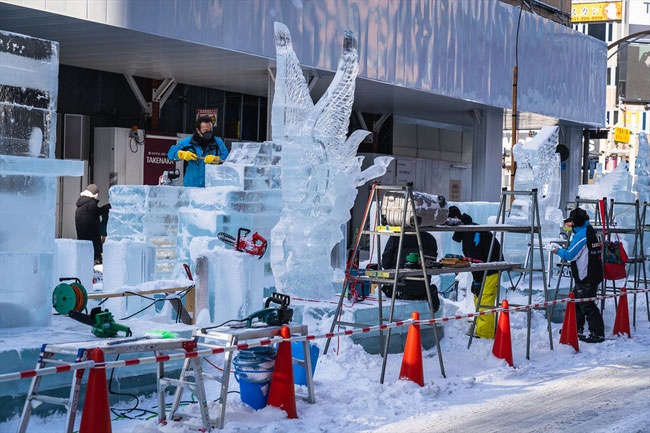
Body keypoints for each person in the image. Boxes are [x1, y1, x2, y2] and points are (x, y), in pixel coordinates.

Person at [553, 207, 605, 343]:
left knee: (587, 305)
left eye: (571, 223)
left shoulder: (581, 234)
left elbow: (571, 255)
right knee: (577, 301)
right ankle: (576, 328)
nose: (570, 226)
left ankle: (598, 333)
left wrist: (557, 251)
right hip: (593, 273)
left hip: (586, 275)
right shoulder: (590, 231)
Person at [449, 206, 502, 339]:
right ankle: (481, 329)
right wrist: (477, 280)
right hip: (484, 269)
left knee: (485, 301)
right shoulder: (469, 230)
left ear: (455, 219)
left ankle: (485, 335)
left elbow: (476, 259)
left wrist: (477, 280)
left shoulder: (471, 232)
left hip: (490, 269)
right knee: (478, 298)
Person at [381, 232, 440, 312]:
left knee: (386, 287)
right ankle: (427, 291)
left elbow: (385, 263)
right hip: (420, 290)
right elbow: (430, 264)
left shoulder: (396, 237)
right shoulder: (430, 239)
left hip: (396, 290)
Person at [168, 116, 229, 187]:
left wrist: (217, 159)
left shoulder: (218, 143)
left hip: (211, 186)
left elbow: (227, 159)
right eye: (205, 131)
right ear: (198, 130)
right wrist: (182, 154)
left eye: (210, 130)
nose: (208, 133)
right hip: (191, 185)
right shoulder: (188, 142)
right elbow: (171, 153)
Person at [75, 184, 111, 264]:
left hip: (83, 234)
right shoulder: (90, 202)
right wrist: (108, 205)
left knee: (85, 256)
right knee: (94, 257)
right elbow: (97, 212)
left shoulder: (82, 202)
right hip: (91, 235)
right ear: (95, 193)